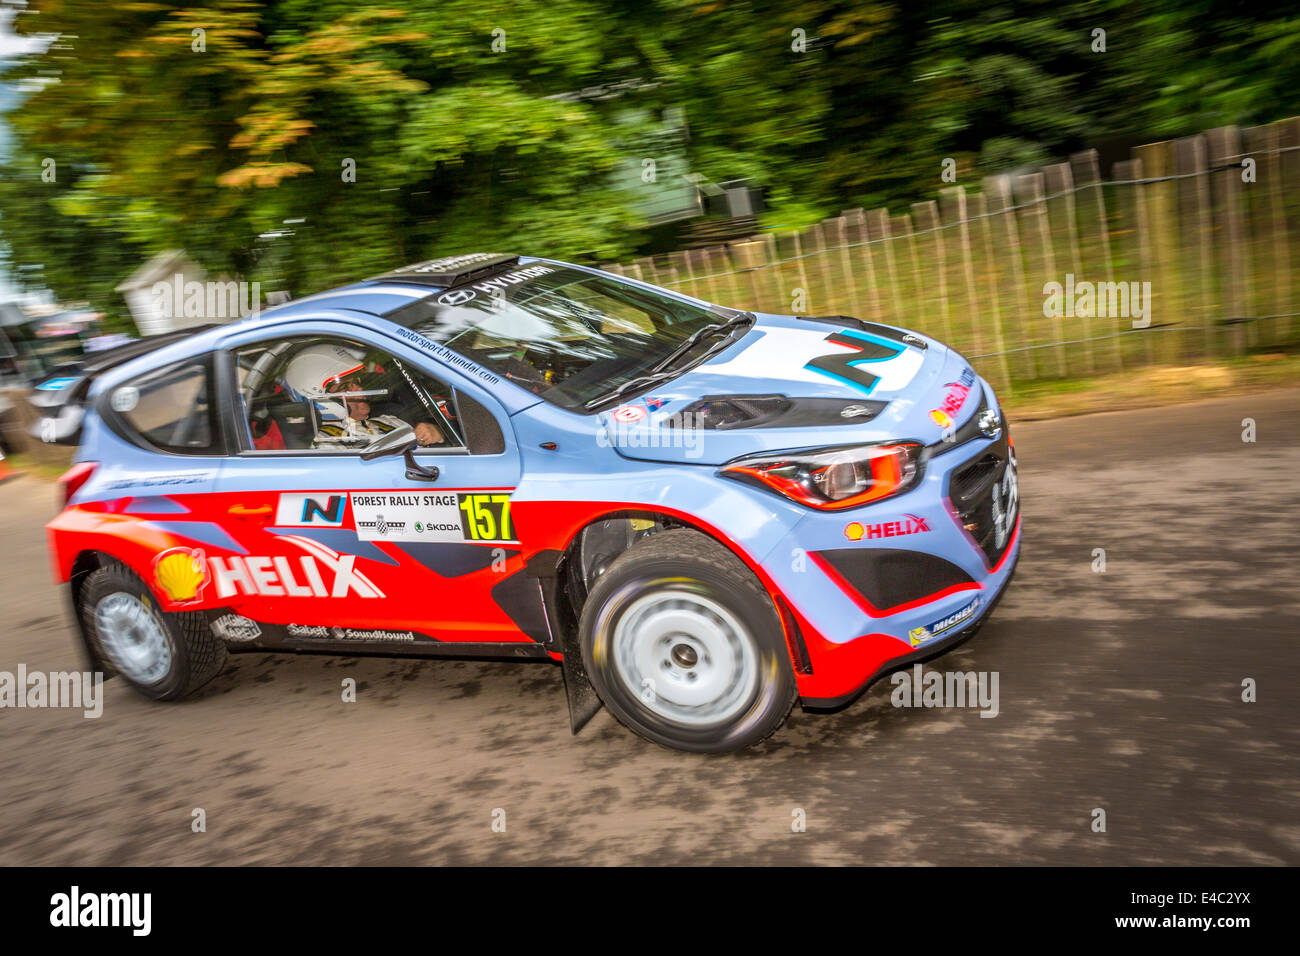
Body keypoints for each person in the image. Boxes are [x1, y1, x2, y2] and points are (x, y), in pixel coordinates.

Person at [282, 343, 444, 451]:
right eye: (346, 387)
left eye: (356, 381)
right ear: (319, 398)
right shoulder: (326, 445)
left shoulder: (389, 420)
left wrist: (436, 433)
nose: (359, 388)